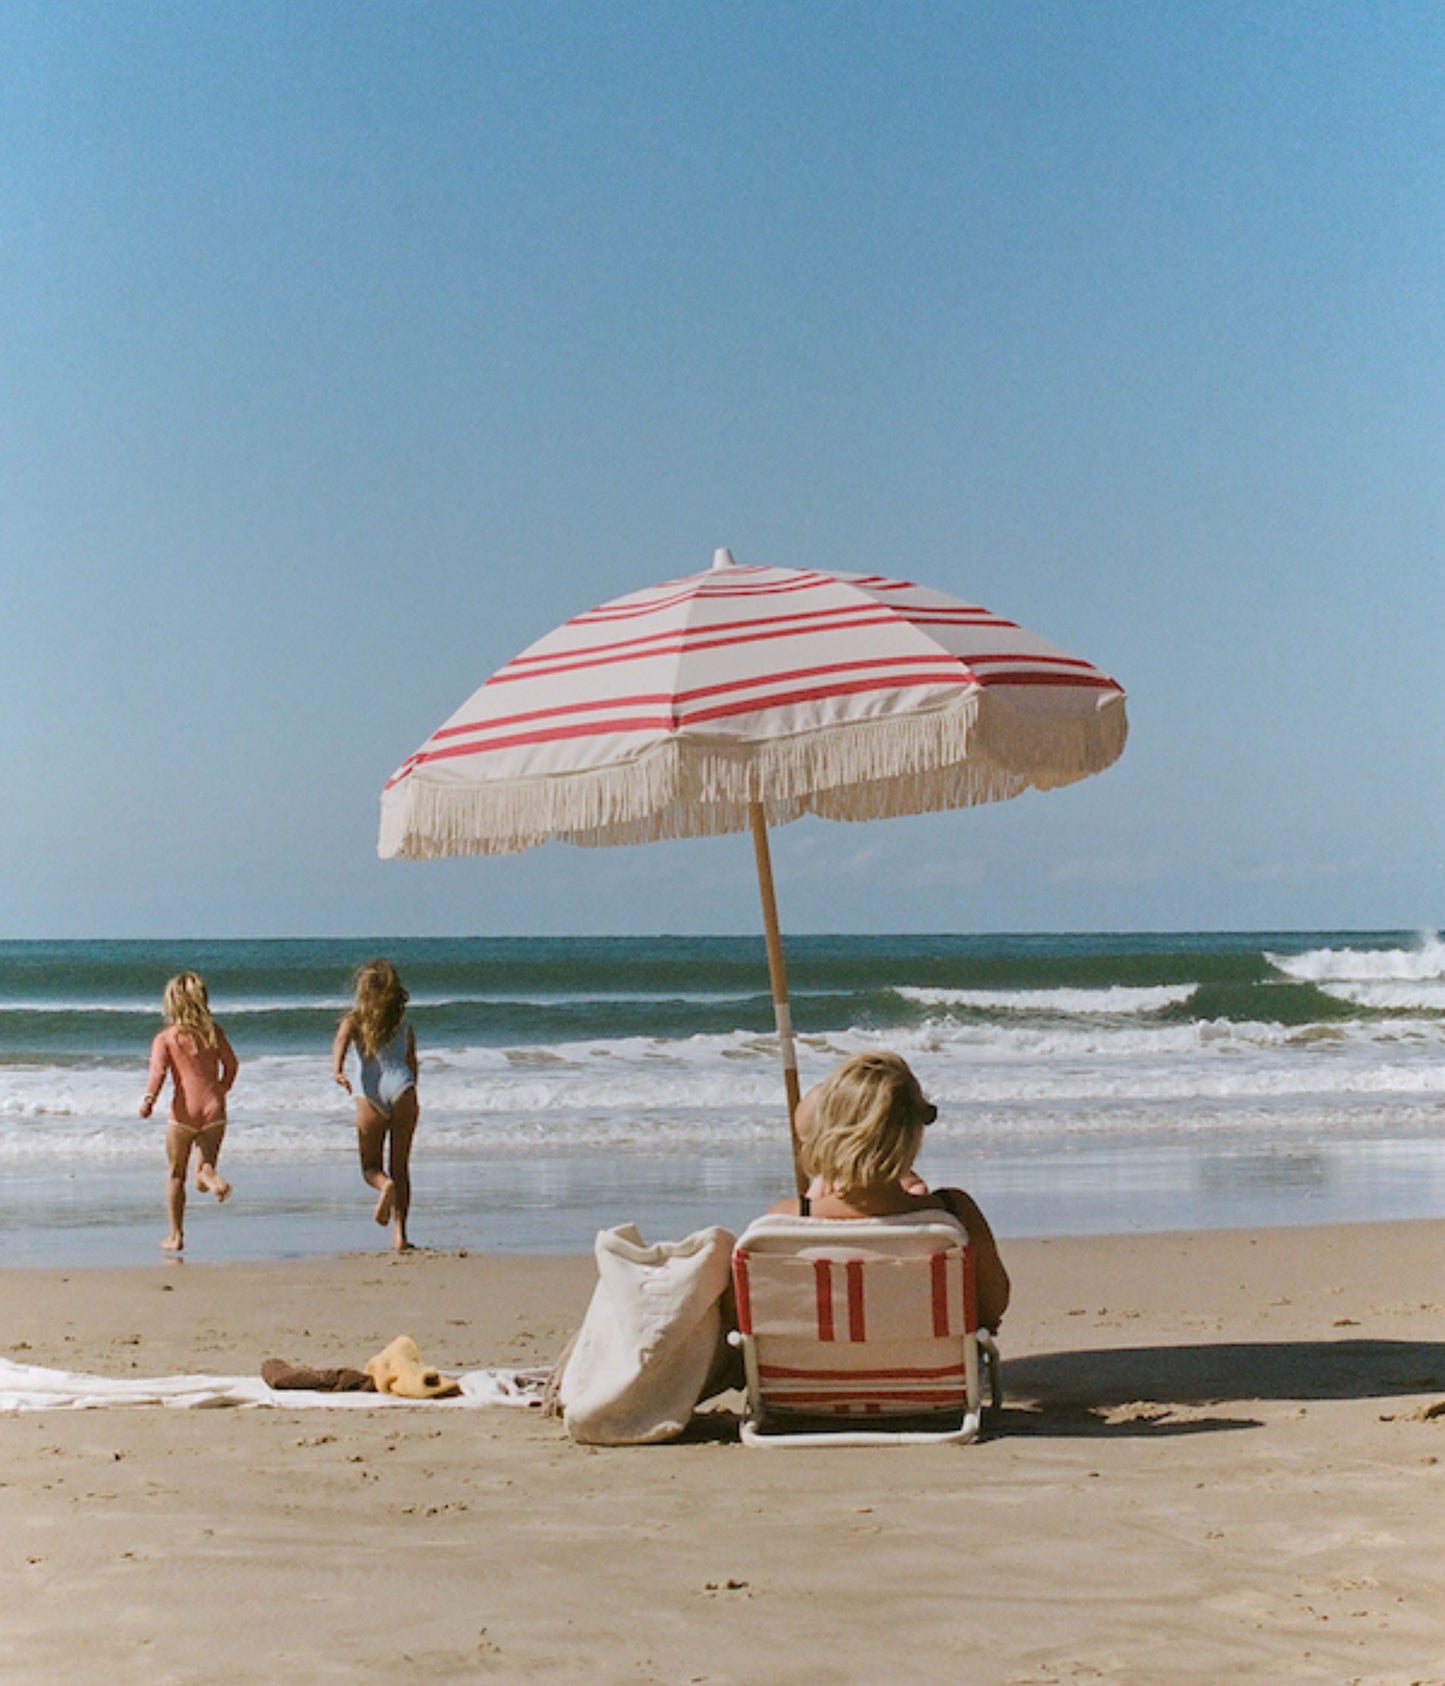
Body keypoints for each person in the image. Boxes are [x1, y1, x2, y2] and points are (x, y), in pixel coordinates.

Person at [772, 1050, 1010, 1330]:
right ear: (911, 1133)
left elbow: (769, 1312)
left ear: (825, 1132)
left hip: (816, 1357)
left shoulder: (787, 1220)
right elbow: (992, 1305)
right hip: (928, 1357)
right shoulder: (954, 1213)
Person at [139, 972, 238, 1253]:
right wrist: (222, 1089)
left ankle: (176, 1236)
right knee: (202, 1175)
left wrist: (148, 1100)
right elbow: (232, 1065)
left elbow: (158, 1073)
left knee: (176, 1174)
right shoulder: (214, 1032)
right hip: (214, 1109)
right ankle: (209, 1174)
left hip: (183, 1112)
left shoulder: (166, 1038)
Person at [332, 959, 418, 1252]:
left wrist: (337, 1069)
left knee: (370, 1166)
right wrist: (410, 1095)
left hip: (370, 1094)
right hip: (403, 1088)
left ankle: (383, 1186)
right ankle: (400, 1235)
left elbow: (340, 1041)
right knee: (400, 1167)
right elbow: (412, 1063)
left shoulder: (354, 1021)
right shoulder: (403, 1026)